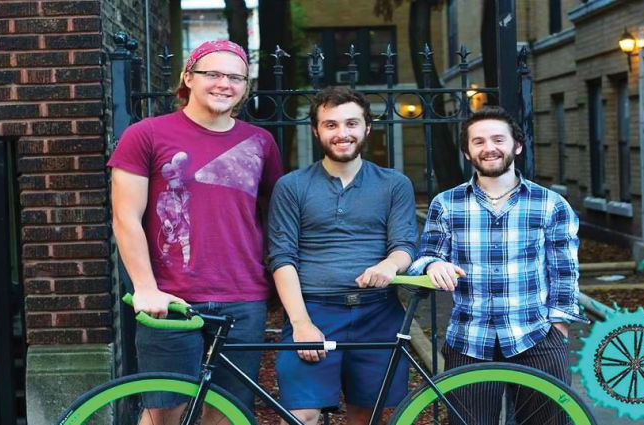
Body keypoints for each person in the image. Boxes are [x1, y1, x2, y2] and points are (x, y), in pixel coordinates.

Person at [108, 40, 282, 423]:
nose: (224, 84)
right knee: (163, 410)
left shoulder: (261, 142)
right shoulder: (146, 134)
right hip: (170, 298)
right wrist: (145, 287)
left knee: (229, 411)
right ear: (188, 77)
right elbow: (125, 217)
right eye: (213, 74)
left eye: (236, 77)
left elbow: (274, 215)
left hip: (243, 296)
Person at [409, 106, 588, 424]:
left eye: (497, 139)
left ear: (516, 145)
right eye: (478, 142)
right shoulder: (447, 204)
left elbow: (564, 270)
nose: (488, 148)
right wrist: (430, 265)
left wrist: (558, 326)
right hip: (469, 339)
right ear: (467, 152)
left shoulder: (550, 204)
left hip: (535, 336)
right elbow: (425, 256)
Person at [268, 86, 417, 425]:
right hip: (315, 310)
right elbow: (282, 257)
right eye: (331, 125)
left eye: (351, 123)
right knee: (300, 416)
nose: (342, 133)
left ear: (367, 128)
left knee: (365, 416)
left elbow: (405, 245)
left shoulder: (394, 184)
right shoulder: (292, 186)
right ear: (316, 131)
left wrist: (389, 265)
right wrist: (301, 323)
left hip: (377, 313)